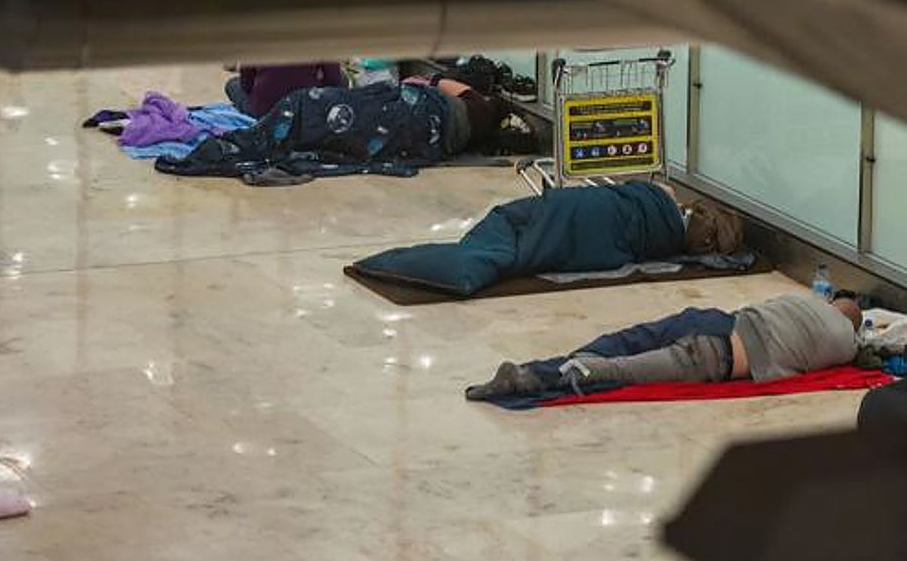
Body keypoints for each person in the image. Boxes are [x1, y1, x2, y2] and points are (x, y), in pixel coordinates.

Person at [352, 181, 746, 296]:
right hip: (592, 218)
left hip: (566, 210)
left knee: (510, 235)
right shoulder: (667, 242)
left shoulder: (660, 197)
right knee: (513, 242)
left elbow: (648, 190)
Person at [466, 292, 864, 399]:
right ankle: (532, 377)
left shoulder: (803, 301)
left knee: (620, 342)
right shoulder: (844, 343)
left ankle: (547, 364)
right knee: (621, 371)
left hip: (708, 319)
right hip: (716, 354)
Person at [156, 77, 514, 182]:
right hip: (411, 129)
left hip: (411, 106)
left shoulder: (472, 101)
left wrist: (428, 81)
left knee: (242, 89)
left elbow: (430, 80)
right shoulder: (463, 133)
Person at [225, 63, 347, 118]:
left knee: (232, 85)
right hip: (305, 109)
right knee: (343, 78)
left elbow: (246, 84)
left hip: (266, 113)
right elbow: (334, 81)